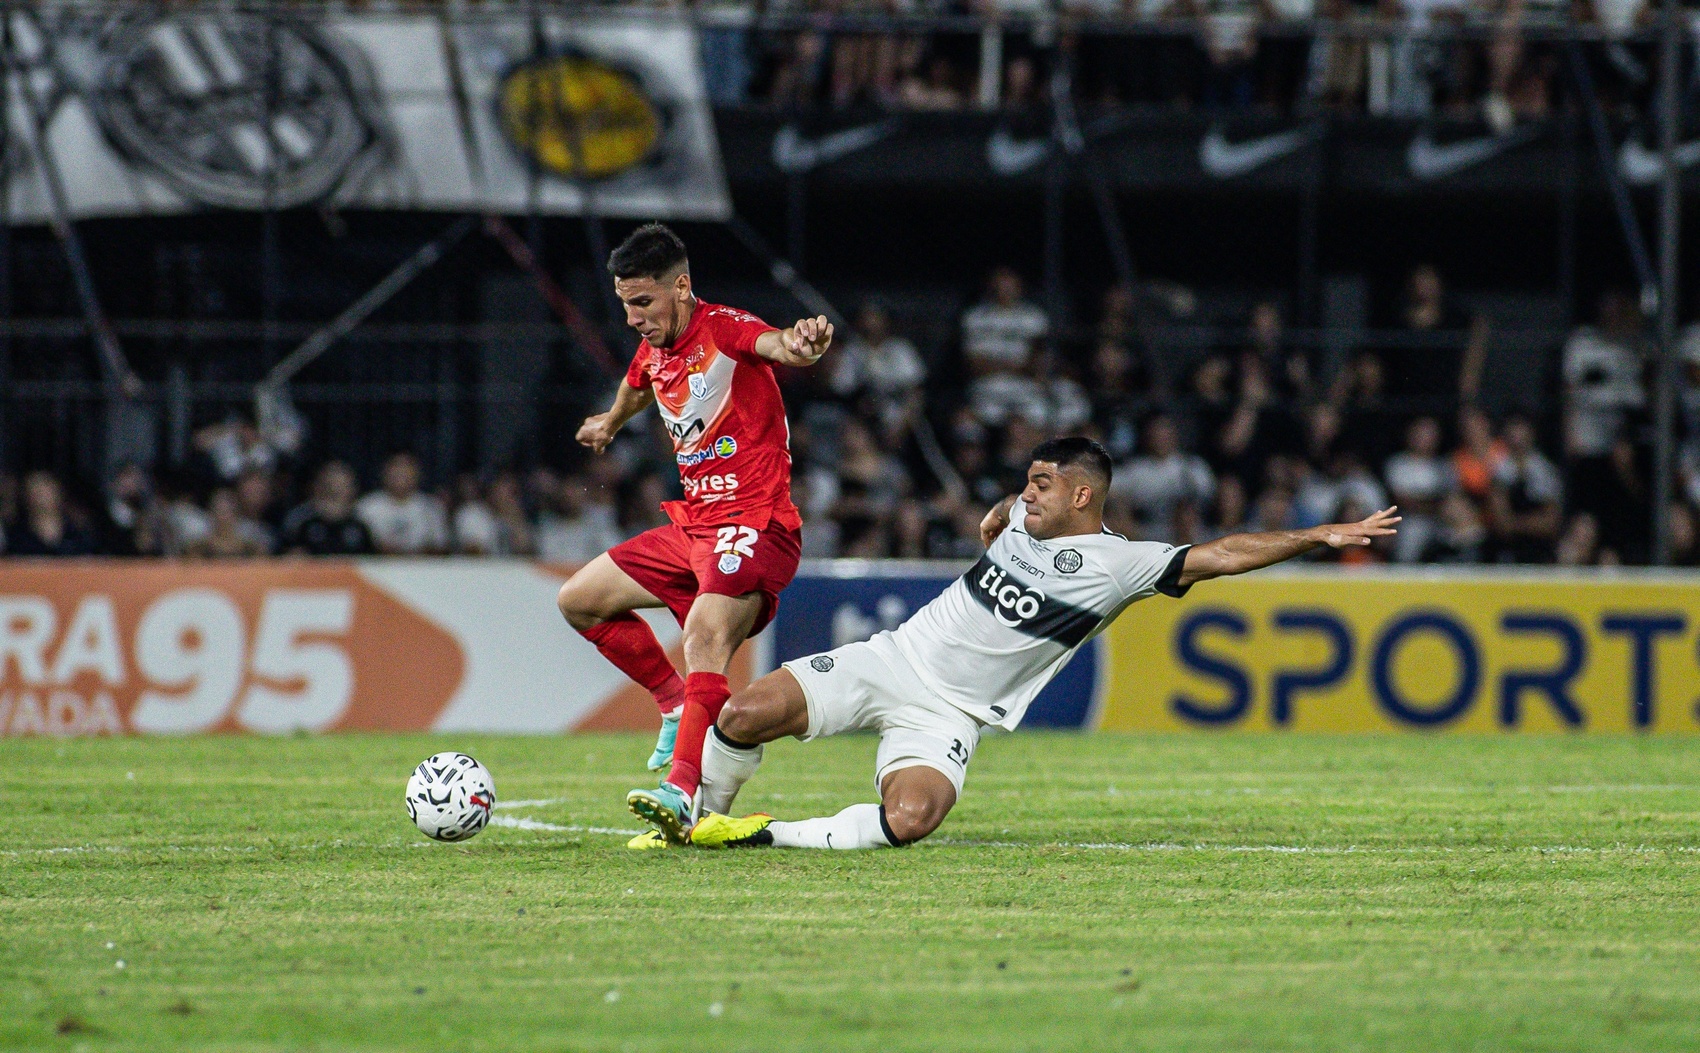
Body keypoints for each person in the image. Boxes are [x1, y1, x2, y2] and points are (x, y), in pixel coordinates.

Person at [626, 437, 1398, 850]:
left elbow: (1223, 553)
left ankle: (757, 836)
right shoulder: (1023, 517)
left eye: (1041, 482)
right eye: (1027, 481)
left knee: (912, 818)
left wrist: (1318, 535)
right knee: (742, 713)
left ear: (1082, 495)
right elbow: (1004, 511)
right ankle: (698, 820)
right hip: (891, 658)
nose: (1027, 492)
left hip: (952, 714)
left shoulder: (1120, 563)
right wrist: (1001, 512)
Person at [552, 223, 833, 813]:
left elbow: (777, 345)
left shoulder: (724, 329)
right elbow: (639, 384)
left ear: (681, 287)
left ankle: (681, 791)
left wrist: (803, 344)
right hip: (694, 527)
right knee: (579, 600)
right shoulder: (656, 346)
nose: (633, 318)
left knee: (702, 637)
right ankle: (675, 702)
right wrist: (609, 423)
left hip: (755, 523)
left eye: (643, 302)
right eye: (625, 305)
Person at [356, 452, 449, 555]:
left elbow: (440, 546)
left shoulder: (431, 506)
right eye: (396, 471)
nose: (401, 475)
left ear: (417, 475)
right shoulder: (367, 506)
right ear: (384, 474)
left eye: (406, 471)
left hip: (421, 563)